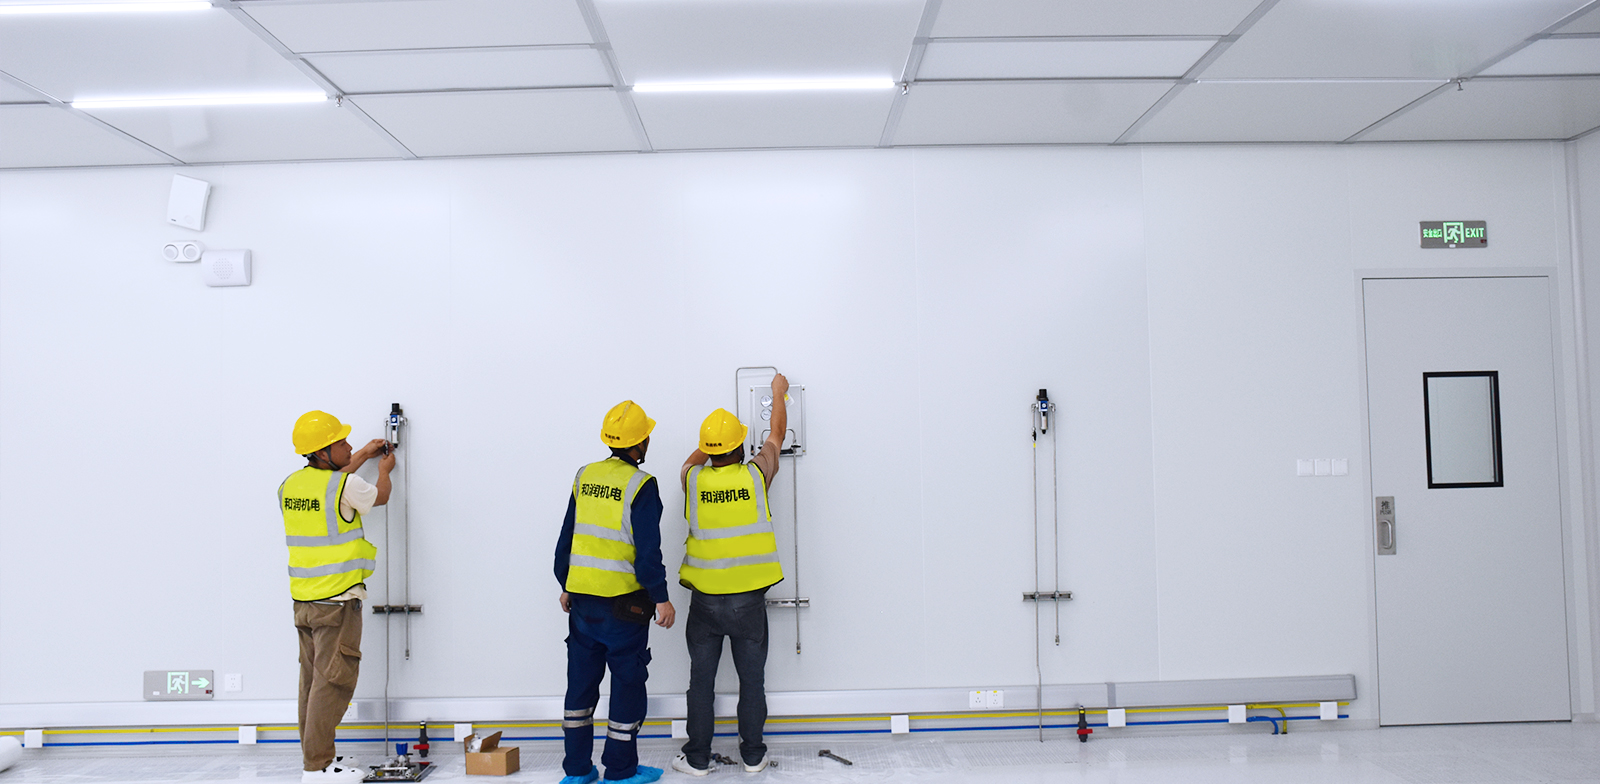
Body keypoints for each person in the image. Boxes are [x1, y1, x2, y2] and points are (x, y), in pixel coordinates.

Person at [671, 373, 789, 777]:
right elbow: (776, 434)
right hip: (747, 604)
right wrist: (777, 393)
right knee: (752, 681)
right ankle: (753, 756)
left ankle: (697, 759)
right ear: (740, 447)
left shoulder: (692, 479)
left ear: (708, 451)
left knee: (700, 682)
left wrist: (711, 446)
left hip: (704, 604)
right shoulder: (756, 474)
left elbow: (692, 460)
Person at [554, 401, 676, 784]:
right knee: (626, 686)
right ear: (641, 442)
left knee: (580, 688)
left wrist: (566, 584)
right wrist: (661, 598)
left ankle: (577, 771)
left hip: (582, 606)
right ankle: (620, 772)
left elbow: (568, 536)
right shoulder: (642, 485)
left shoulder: (584, 476)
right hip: (625, 610)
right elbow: (648, 552)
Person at [281, 410, 394, 783]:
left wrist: (362, 454)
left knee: (312, 682)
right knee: (333, 682)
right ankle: (318, 767)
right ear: (322, 452)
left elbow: (333, 483)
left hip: (304, 601)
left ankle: (315, 756)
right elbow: (378, 497)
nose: (349, 446)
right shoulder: (346, 486)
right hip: (338, 601)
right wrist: (383, 470)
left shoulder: (291, 485)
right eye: (341, 442)